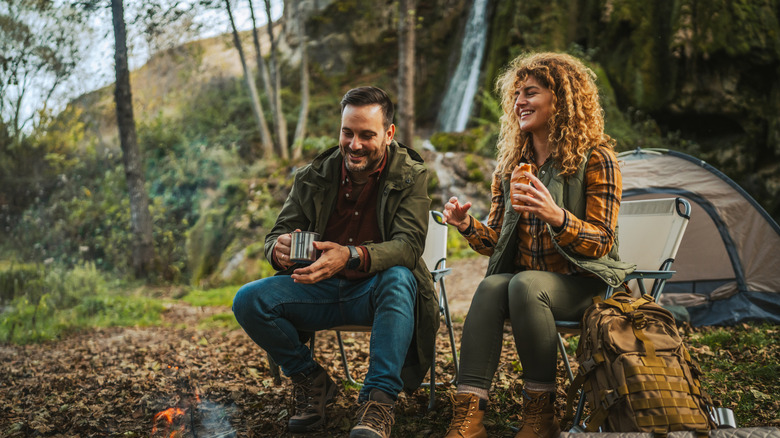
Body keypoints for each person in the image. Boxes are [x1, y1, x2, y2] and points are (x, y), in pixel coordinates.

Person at [441, 52, 634, 438]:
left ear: (560, 99)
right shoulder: (512, 167)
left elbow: (602, 241)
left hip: (587, 283)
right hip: (530, 286)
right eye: (516, 94)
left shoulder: (597, 159)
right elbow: (495, 241)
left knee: (524, 283)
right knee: (495, 283)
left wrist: (556, 215)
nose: (518, 102)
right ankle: (469, 414)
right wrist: (466, 225)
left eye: (530, 92)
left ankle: (540, 415)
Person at [232, 86, 437, 438]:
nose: (354, 145)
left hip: (376, 293)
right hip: (317, 290)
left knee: (401, 277)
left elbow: (408, 245)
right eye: (347, 132)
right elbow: (275, 234)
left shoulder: (410, 174)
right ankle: (312, 382)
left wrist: (351, 255)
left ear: (388, 134)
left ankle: (378, 401)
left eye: (366, 135)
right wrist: (276, 251)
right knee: (248, 300)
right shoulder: (312, 175)